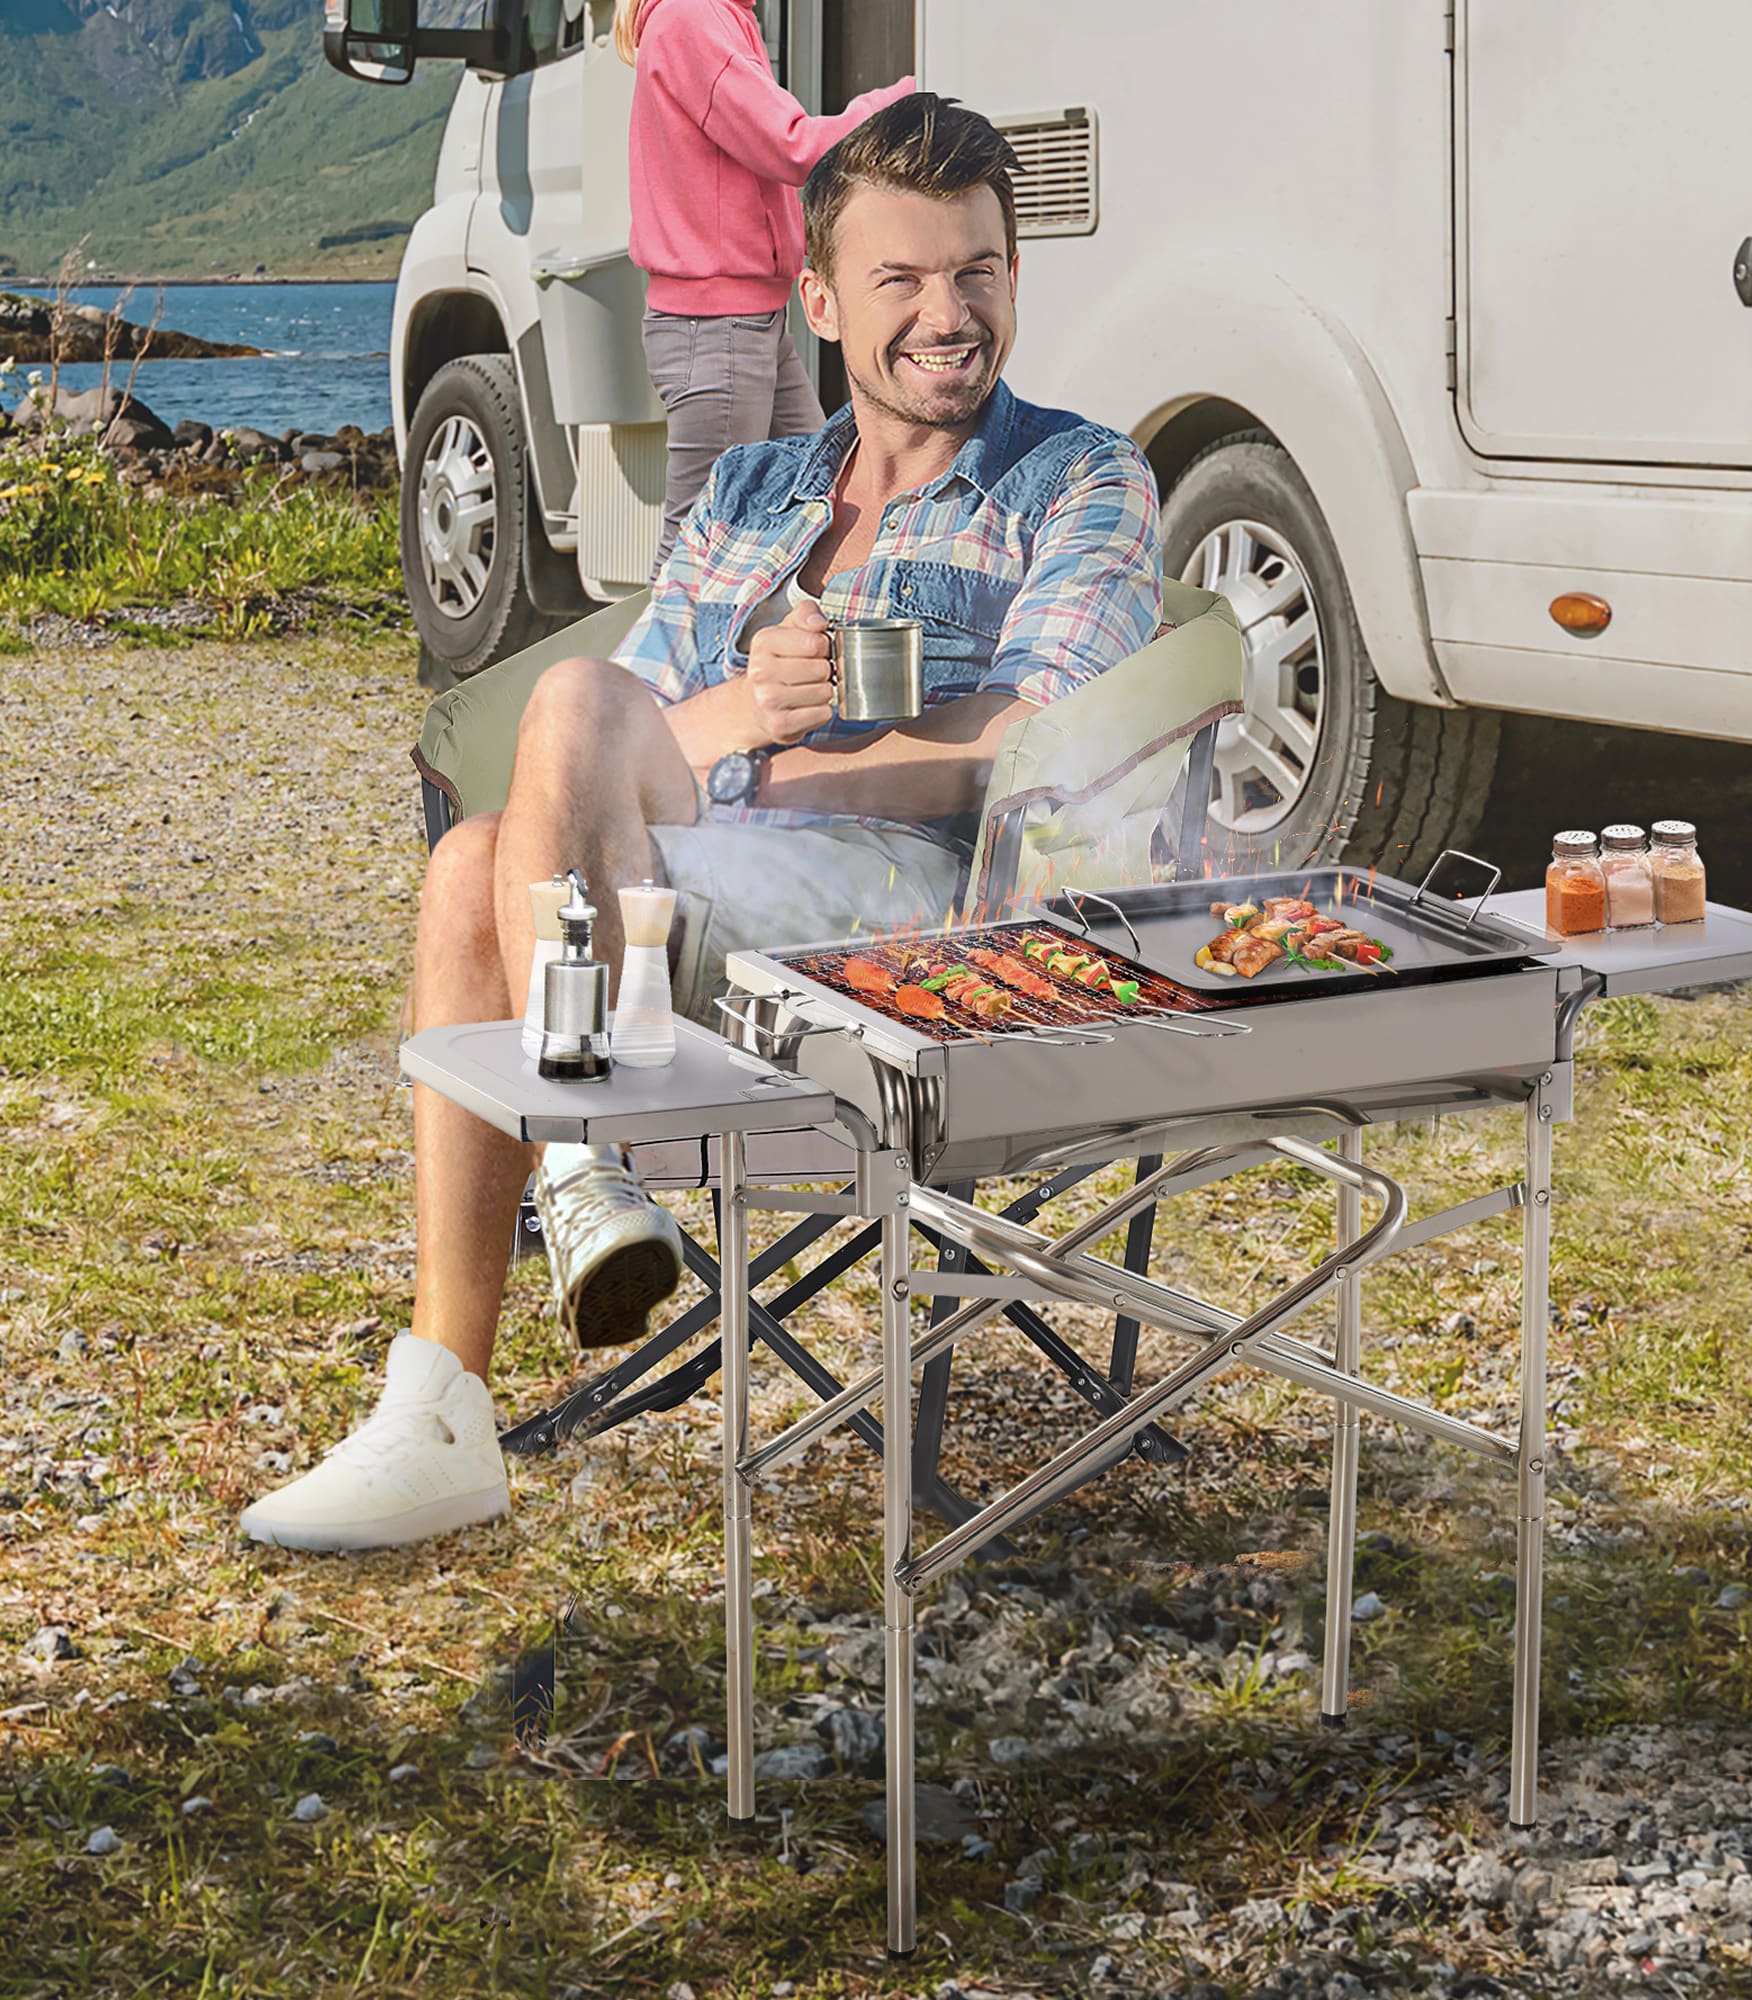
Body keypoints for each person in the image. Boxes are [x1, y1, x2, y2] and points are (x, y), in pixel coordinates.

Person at [240, 94, 1163, 1555]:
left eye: (976, 272)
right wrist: (743, 710)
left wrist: (761, 771)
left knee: (487, 857)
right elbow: (620, 737)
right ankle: (494, 1311)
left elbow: (1032, 735)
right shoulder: (749, 490)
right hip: (683, 892)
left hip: (913, 921)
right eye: (902, 279)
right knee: (506, 810)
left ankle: (506, 1285)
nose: (947, 315)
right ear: (820, 302)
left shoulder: (1079, 476)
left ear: (1013, 277)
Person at [617, 0, 914, 572]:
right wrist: (904, 98)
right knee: (700, 542)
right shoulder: (691, 19)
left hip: (748, 325)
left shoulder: (717, 16)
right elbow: (791, 146)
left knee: (820, 493)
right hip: (719, 329)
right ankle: (661, 639)